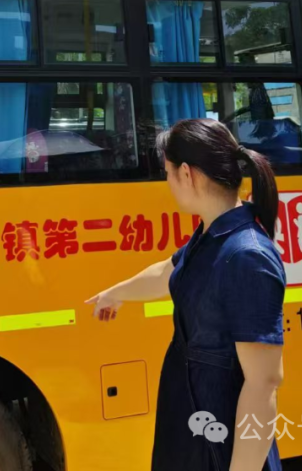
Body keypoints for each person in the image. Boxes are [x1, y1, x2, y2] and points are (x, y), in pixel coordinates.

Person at [87, 118, 286, 471]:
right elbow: (170, 271)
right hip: (192, 432)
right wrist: (116, 293)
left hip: (219, 448)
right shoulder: (211, 236)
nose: (166, 182)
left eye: (166, 172)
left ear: (187, 174)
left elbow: (263, 383)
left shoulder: (247, 256)